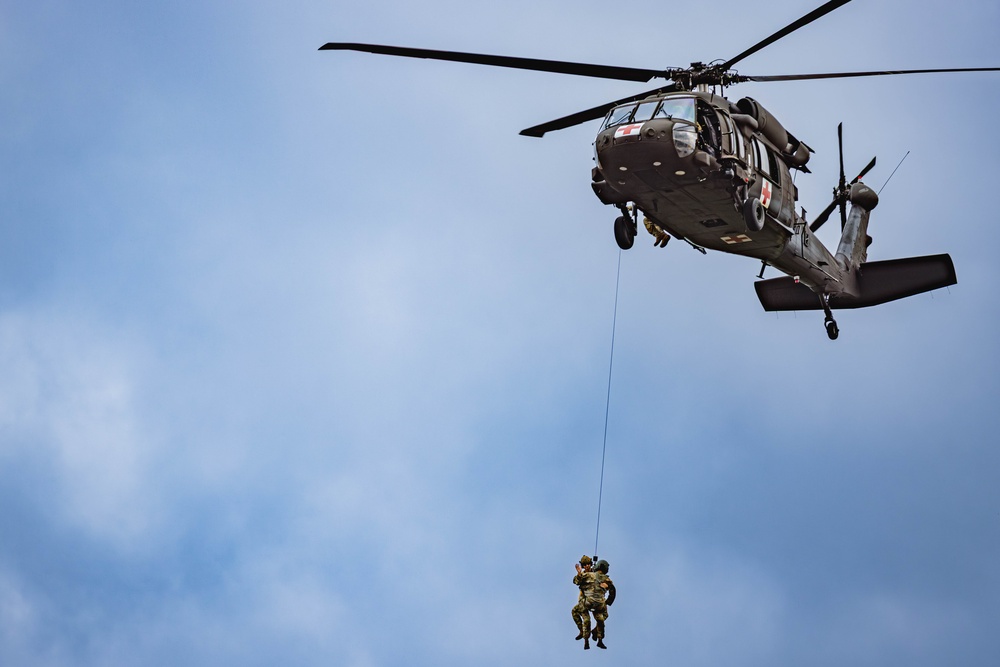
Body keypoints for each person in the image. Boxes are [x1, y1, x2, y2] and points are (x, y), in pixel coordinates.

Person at [571, 555, 614, 649]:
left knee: (602, 618)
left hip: (596, 601)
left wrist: (607, 599)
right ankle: (583, 633)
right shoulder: (585, 575)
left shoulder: (594, 573)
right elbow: (576, 581)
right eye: (584, 565)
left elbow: (609, 587)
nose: (586, 566)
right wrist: (579, 574)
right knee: (585, 619)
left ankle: (597, 634)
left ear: (591, 564)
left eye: (588, 564)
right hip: (585, 599)